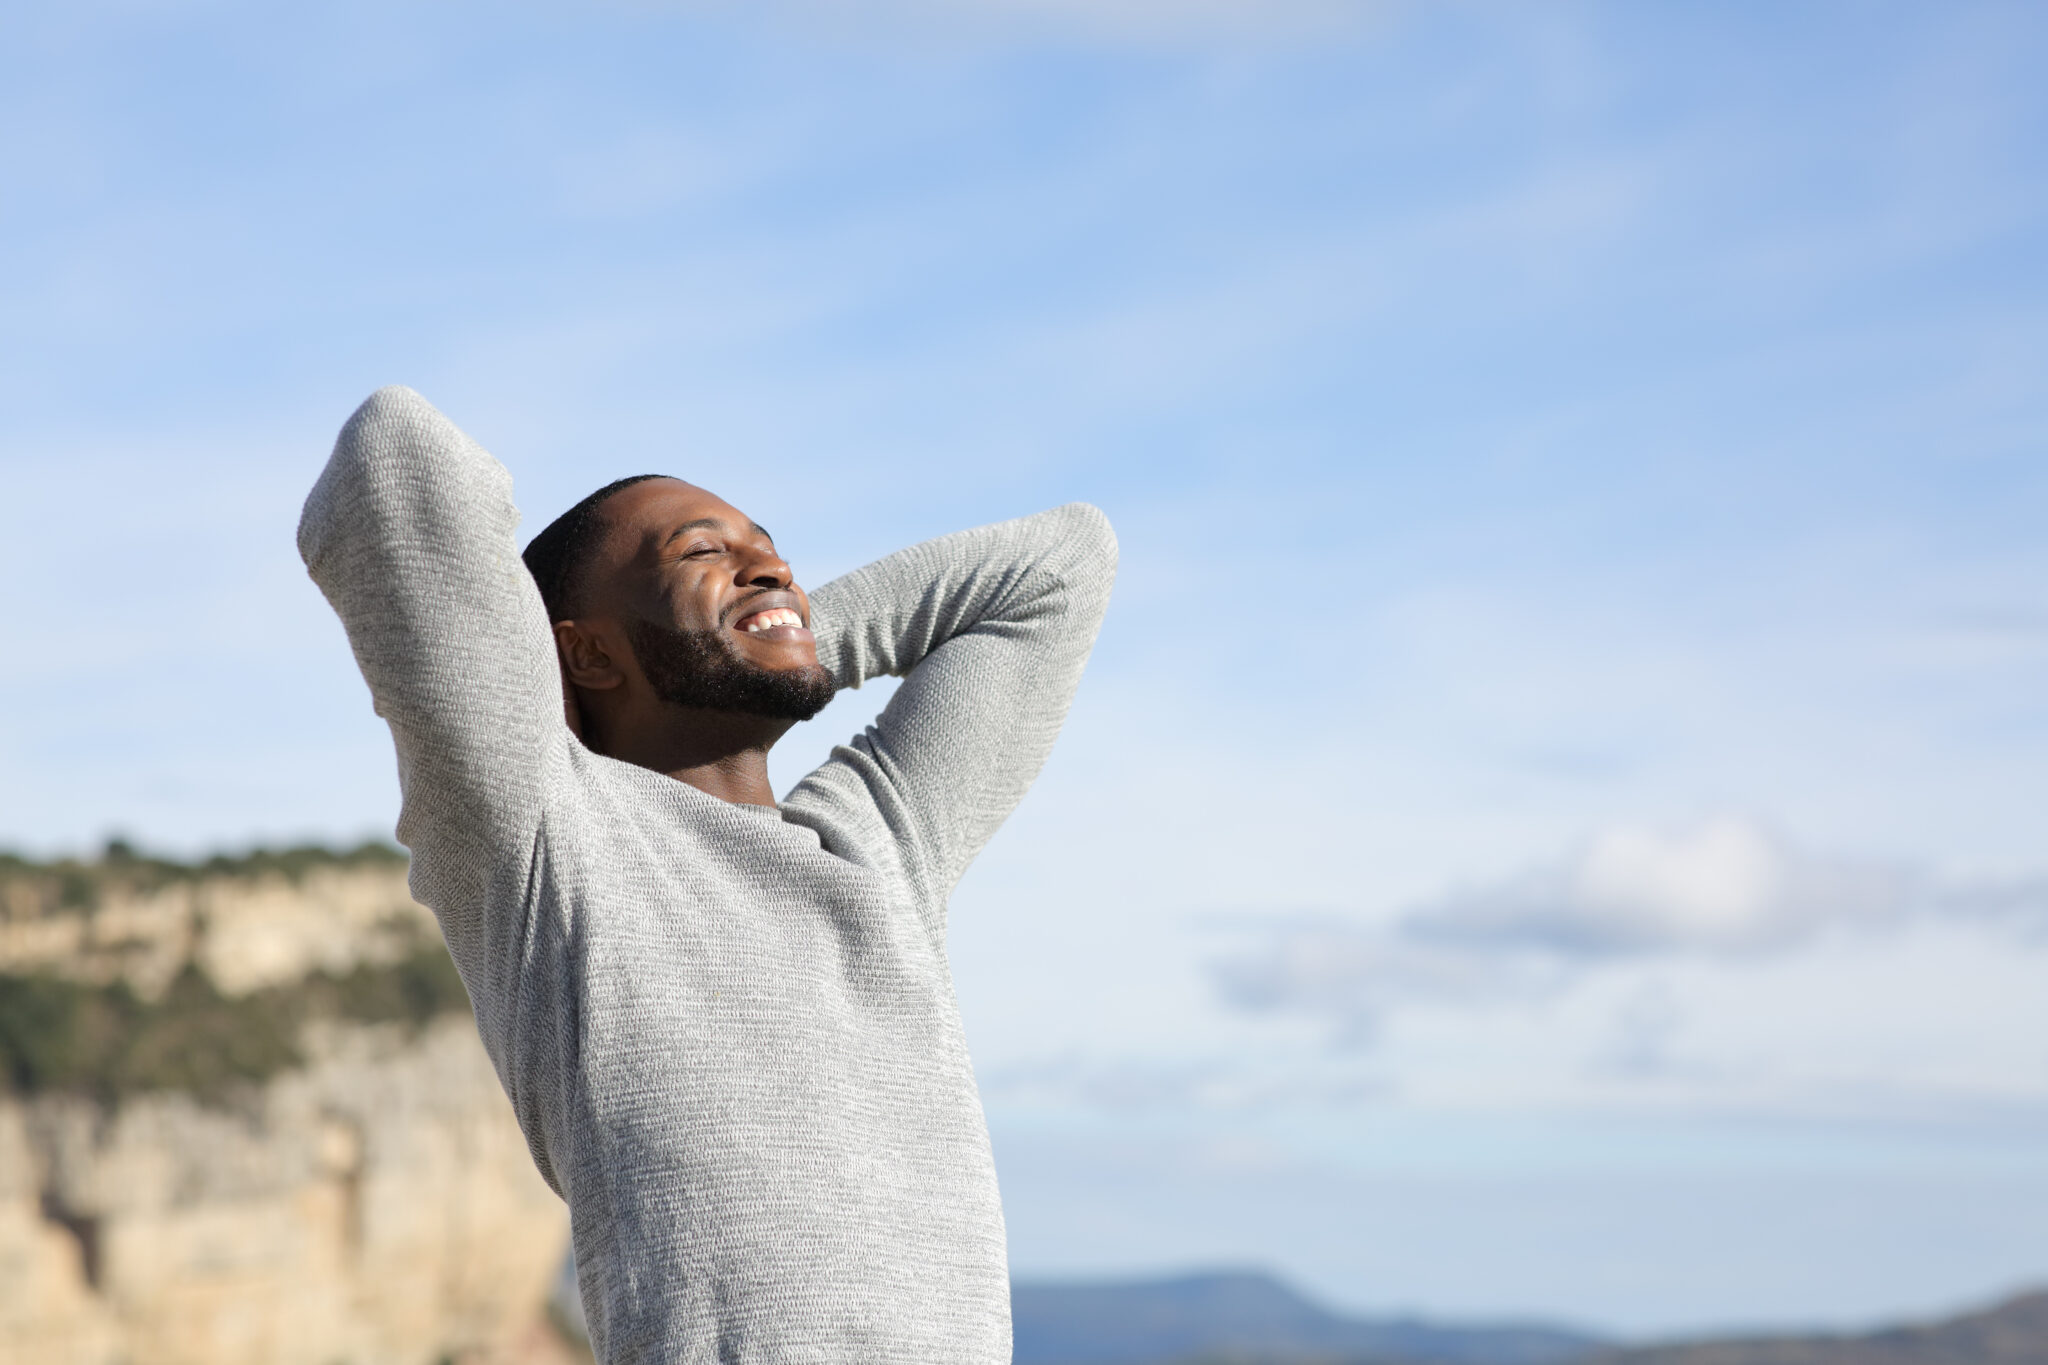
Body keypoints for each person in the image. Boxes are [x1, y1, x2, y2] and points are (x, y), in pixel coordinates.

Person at [298, 387, 1116, 1364]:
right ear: (587, 652)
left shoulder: (877, 848)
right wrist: (609, 678)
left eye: (768, 548)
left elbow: (1061, 565)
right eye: (700, 553)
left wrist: (781, 638)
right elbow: (393, 454)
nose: (769, 565)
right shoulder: (543, 834)